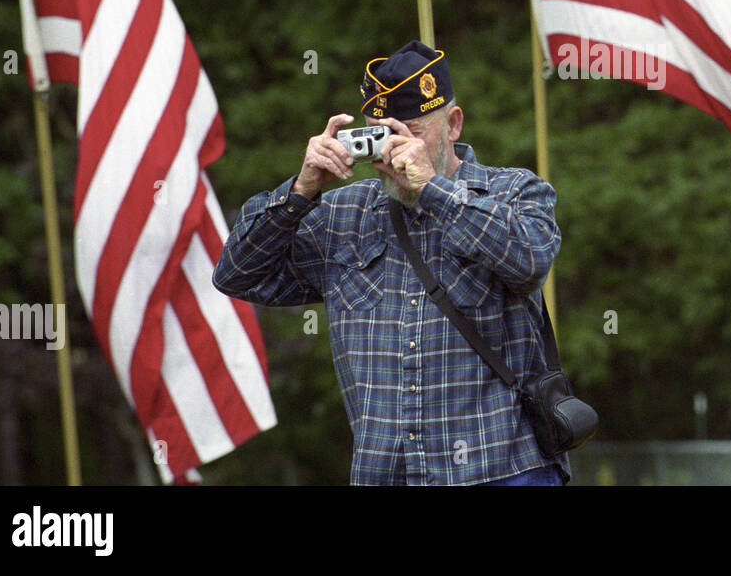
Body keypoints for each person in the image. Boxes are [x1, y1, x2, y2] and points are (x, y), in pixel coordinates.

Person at [214, 40, 567, 485]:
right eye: (382, 134)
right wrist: (300, 191)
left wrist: (432, 189)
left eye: (413, 132)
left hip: (502, 470)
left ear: (453, 124)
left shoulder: (515, 191)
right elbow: (237, 274)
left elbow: (529, 259)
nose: (397, 151)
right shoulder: (342, 214)